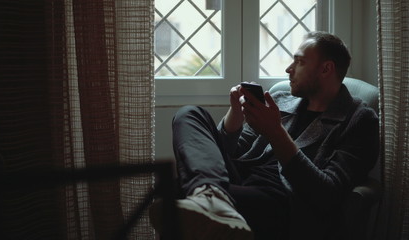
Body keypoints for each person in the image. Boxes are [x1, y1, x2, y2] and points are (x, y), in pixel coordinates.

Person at [150, 31, 379, 240]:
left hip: (283, 202)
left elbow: (326, 193)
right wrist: (236, 115)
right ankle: (211, 195)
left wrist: (275, 131)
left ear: (326, 69)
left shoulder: (359, 120)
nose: (289, 69)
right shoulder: (281, 100)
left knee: (177, 192)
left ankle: (211, 198)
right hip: (239, 179)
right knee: (190, 113)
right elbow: (228, 154)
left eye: (299, 61)